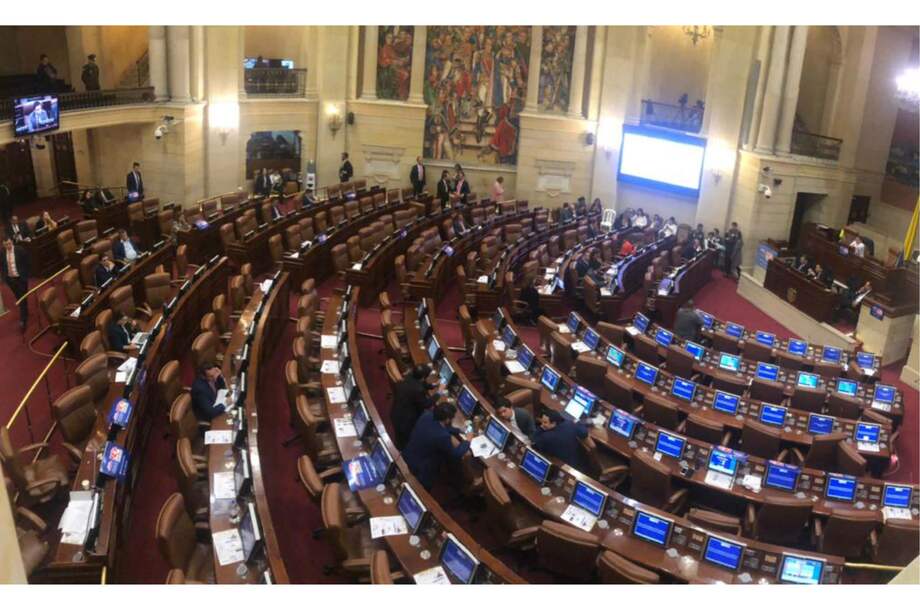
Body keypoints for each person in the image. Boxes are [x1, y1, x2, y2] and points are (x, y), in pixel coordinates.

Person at [402, 402, 472, 491]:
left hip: (408, 453)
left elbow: (441, 426)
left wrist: (458, 430)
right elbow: (455, 454)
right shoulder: (442, 436)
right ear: (447, 420)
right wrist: (467, 441)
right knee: (423, 489)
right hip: (421, 468)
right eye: (452, 418)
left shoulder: (427, 415)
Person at [391, 364, 438, 450]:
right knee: (404, 440)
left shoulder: (408, 377)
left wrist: (433, 385)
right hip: (405, 420)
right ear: (423, 377)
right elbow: (426, 404)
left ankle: (399, 445)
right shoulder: (418, 390)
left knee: (399, 435)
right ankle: (400, 451)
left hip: (396, 411)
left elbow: (421, 383)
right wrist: (439, 393)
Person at [1, 238, 30, 330]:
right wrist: (5, 277)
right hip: (10, 280)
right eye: (6, 245)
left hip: (21, 278)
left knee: (22, 298)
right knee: (18, 297)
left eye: (9, 243)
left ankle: (23, 321)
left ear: (12, 242)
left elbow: (27, 262)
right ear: (3, 245)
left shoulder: (20, 250)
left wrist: (26, 274)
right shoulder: (2, 253)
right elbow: (2, 265)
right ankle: (25, 311)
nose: (8, 246)